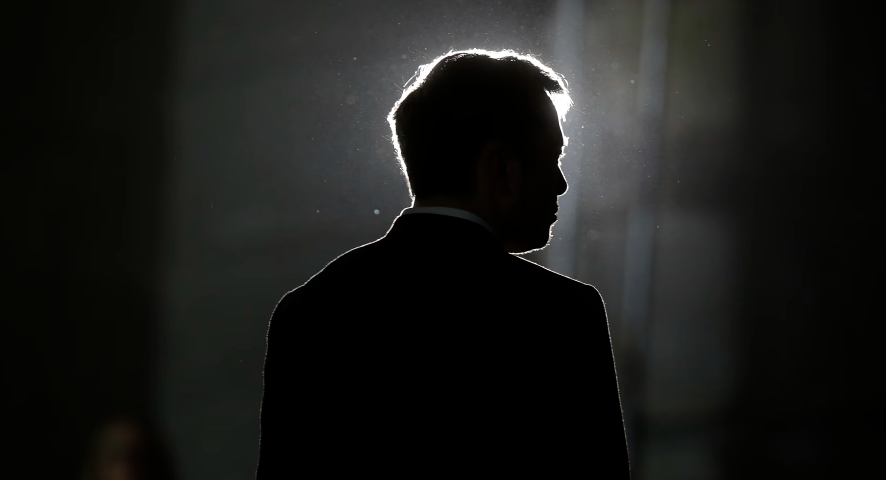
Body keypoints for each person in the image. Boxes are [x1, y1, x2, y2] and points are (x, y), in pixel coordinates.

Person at [256, 49, 630, 478]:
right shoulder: (561, 313)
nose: (561, 183)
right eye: (553, 158)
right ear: (502, 169)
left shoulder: (308, 309)